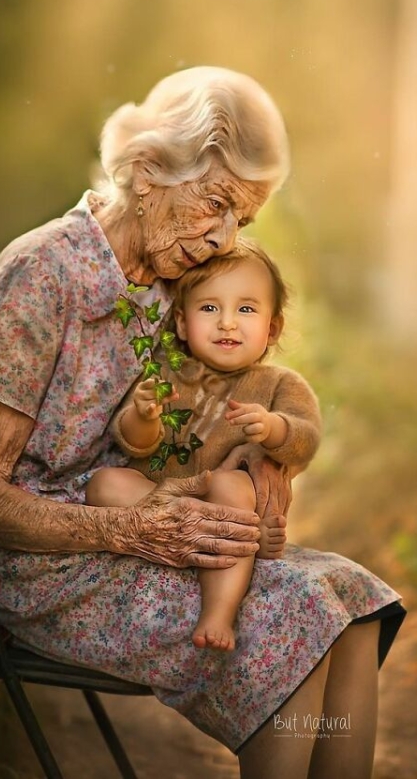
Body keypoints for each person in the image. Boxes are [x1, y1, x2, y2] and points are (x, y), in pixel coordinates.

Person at [0, 66, 405, 779]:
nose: (222, 238)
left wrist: (260, 458)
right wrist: (132, 529)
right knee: (292, 611)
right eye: (215, 204)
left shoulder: (162, 280)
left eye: (240, 222)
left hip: (120, 525)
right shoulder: (40, 278)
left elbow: (214, 396)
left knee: (351, 600)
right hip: (30, 564)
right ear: (147, 168)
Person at [86, 239, 321, 653]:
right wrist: (144, 416)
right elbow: (134, 445)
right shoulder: (167, 372)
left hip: (225, 506)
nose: (227, 323)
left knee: (230, 488)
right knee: (106, 484)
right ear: (180, 322)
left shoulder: (280, 384)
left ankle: (218, 612)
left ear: (272, 328)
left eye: (246, 309)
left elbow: (305, 439)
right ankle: (223, 541)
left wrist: (272, 428)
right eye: (209, 308)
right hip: (163, 501)